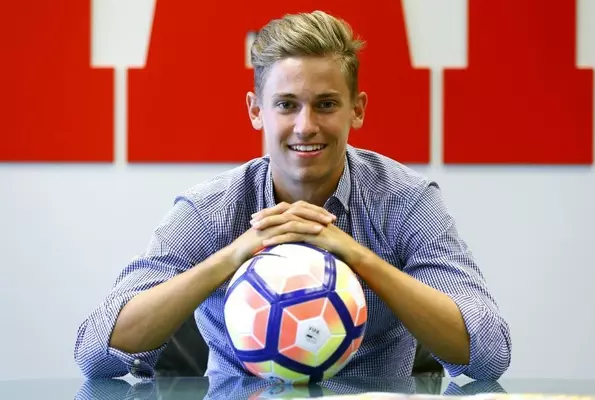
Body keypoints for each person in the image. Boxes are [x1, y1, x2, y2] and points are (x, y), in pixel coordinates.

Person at [74, 10, 511, 381]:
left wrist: (359, 258)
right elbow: (94, 352)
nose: (306, 126)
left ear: (357, 109)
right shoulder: (211, 210)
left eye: (326, 104)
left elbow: (491, 353)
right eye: (286, 104)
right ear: (255, 110)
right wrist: (232, 257)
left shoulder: (404, 200)